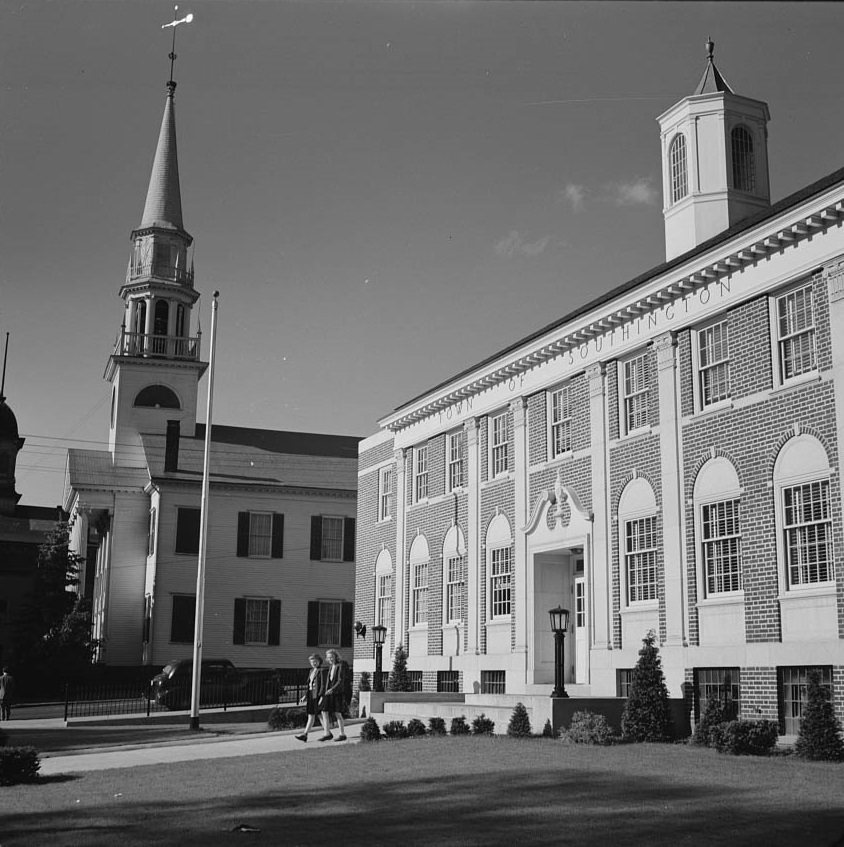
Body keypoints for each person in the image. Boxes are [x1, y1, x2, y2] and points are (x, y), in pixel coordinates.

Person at [295, 654, 329, 742]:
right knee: (311, 715)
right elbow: (309, 685)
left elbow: (323, 685)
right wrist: (305, 696)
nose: (313, 663)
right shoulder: (311, 671)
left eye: (315, 661)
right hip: (311, 694)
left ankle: (326, 732)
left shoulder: (322, 671)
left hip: (317, 695)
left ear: (319, 661)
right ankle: (305, 734)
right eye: (312, 662)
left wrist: (321, 696)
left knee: (319, 714)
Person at [321, 649, 347, 742]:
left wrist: (332, 689)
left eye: (331, 657)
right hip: (329, 692)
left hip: (337, 693)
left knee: (337, 713)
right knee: (324, 711)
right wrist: (325, 692)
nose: (330, 659)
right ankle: (327, 733)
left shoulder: (340, 666)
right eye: (328, 657)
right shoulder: (331, 667)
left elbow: (340, 680)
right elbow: (328, 681)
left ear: (336, 656)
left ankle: (342, 734)